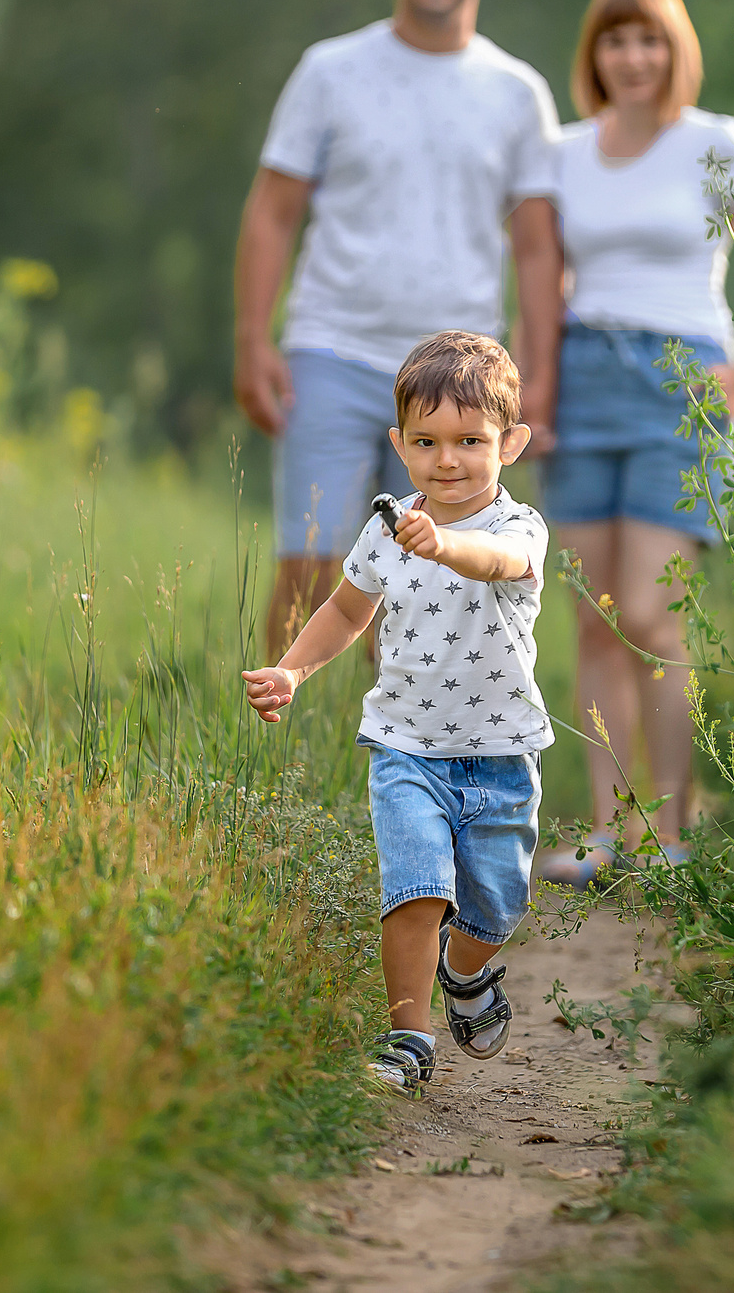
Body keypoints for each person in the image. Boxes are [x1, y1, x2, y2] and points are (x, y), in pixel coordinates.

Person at [233, 0, 564, 657]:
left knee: (429, 581)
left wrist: (539, 373)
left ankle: (388, 734)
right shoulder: (330, 71)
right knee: (311, 564)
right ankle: (283, 725)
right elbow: (272, 212)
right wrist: (252, 339)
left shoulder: (517, 93)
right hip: (332, 349)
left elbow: (537, 247)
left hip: (458, 377)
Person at [535, 0, 734, 884]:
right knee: (595, 620)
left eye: (649, 38)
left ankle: (674, 834)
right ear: (594, 54)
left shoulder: (714, 142)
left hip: (679, 387)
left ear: (675, 47)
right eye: (616, 40)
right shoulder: (564, 152)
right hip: (582, 381)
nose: (633, 57)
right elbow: (543, 278)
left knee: (652, 615)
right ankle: (608, 834)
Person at [241, 332, 552, 1090]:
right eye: (427, 441)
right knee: (416, 890)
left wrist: (443, 545)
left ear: (509, 444)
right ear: (400, 445)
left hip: (501, 753)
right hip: (406, 744)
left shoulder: (518, 528)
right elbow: (347, 611)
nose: (448, 459)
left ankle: (465, 971)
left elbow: (498, 564)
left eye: (470, 441)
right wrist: (292, 669)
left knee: (496, 907)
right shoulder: (386, 530)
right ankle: (408, 1036)